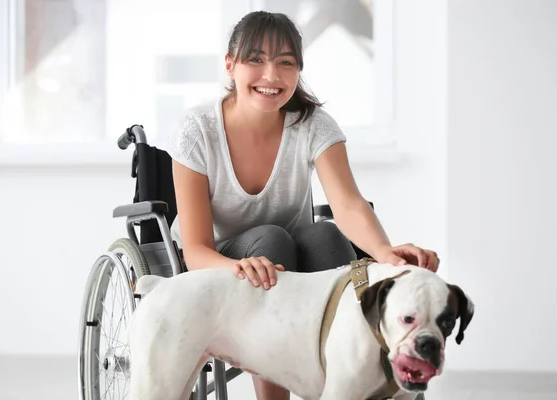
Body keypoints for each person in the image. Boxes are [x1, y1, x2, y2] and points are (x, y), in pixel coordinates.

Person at [165, 10, 439, 400]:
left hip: (289, 253)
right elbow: (194, 250)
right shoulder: (197, 130)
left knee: (326, 234)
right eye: (255, 59)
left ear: (299, 70)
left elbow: (347, 203)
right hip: (224, 259)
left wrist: (386, 255)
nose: (271, 76)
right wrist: (237, 266)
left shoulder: (312, 124)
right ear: (230, 65)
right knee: (273, 241)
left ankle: (337, 382)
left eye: (285, 63)